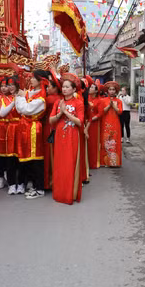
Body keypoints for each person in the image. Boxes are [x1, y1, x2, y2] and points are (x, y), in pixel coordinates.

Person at [49, 73, 85, 205]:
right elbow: (51, 120)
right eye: (63, 87)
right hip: (59, 135)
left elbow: (80, 122)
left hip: (72, 136)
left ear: (74, 89)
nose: (64, 89)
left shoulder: (79, 103)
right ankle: (59, 193)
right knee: (60, 164)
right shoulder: (58, 102)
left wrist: (66, 112)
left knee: (71, 163)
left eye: (67, 87)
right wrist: (60, 113)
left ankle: (71, 193)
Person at [15, 70, 47, 200]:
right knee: (26, 158)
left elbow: (25, 109)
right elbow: (19, 109)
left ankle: (39, 188)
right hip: (24, 127)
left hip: (33, 129)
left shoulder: (41, 97)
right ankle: (32, 185)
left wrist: (22, 98)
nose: (31, 80)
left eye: (34, 78)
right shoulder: (29, 93)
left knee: (35, 158)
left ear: (41, 81)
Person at [0, 75, 21, 194]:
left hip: (15, 127)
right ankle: (0, 176)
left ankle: (16, 180)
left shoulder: (16, 97)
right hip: (1, 127)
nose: (5, 88)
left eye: (8, 85)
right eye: (3, 86)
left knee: (14, 154)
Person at [100, 81, 123, 168]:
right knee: (106, 141)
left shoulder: (119, 101)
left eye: (113, 89)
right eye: (110, 89)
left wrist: (114, 106)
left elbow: (120, 112)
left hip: (115, 123)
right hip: (106, 123)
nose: (112, 91)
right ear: (107, 91)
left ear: (116, 91)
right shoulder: (103, 100)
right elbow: (102, 112)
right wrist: (109, 106)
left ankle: (114, 162)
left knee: (114, 142)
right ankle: (105, 162)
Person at [85, 81, 102, 170]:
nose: (90, 89)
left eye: (92, 88)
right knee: (86, 143)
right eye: (90, 87)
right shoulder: (86, 98)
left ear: (96, 91)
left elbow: (100, 114)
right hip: (86, 122)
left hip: (94, 124)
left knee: (93, 143)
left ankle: (94, 162)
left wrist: (91, 120)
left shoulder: (99, 101)